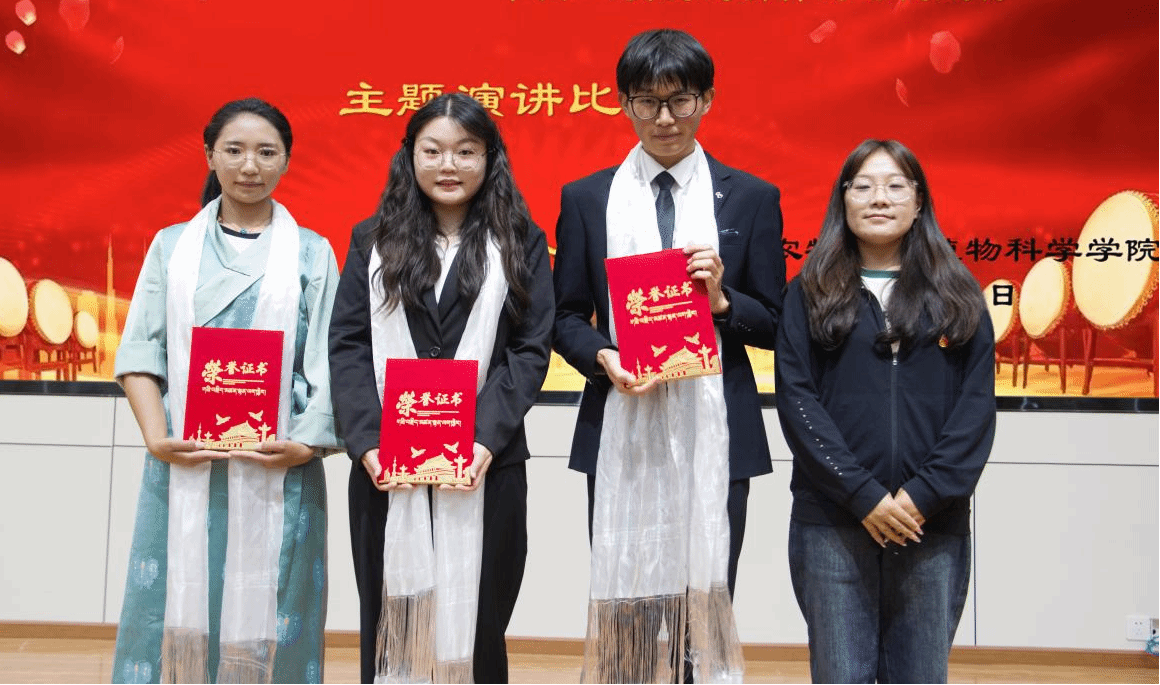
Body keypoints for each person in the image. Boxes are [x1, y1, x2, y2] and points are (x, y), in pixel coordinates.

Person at [551, 28, 785, 684]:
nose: (664, 119)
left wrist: (723, 301)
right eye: (646, 102)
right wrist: (603, 356)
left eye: (679, 101)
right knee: (628, 612)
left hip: (718, 432)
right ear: (623, 103)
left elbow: (776, 323)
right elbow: (563, 316)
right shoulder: (586, 198)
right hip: (620, 426)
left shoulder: (751, 198)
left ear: (706, 100)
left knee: (699, 612)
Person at [111, 98, 341, 684]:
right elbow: (141, 351)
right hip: (185, 458)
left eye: (266, 152)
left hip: (278, 464)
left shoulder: (313, 252)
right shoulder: (170, 247)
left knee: (279, 610)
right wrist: (157, 439)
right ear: (209, 155)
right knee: (171, 602)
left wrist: (306, 444)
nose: (249, 166)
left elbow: (332, 363)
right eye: (234, 150)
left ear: (287, 160)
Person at [328, 92, 553, 684]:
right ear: (410, 156)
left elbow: (530, 349)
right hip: (386, 468)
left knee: (480, 623)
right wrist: (366, 443)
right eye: (432, 151)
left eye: (465, 151)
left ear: (490, 158)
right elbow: (348, 344)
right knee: (391, 622)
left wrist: (483, 441)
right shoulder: (370, 239)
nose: (448, 165)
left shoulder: (522, 240)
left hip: (487, 464)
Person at [775, 139, 996, 683]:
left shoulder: (958, 293)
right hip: (833, 521)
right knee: (840, 673)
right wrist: (862, 495)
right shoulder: (808, 292)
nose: (880, 198)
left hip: (930, 523)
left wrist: (923, 496)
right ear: (843, 199)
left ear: (918, 202)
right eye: (864, 186)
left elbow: (975, 410)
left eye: (896, 186)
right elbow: (798, 401)